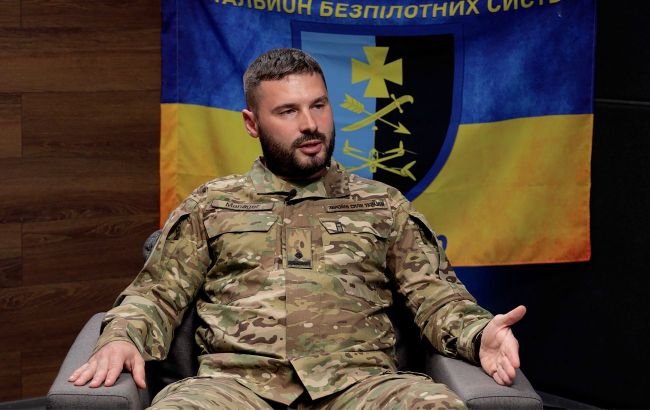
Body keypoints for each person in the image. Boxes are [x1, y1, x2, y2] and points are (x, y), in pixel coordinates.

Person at [69, 48, 526, 409]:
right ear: (252, 124)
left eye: (318, 106)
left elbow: (435, 296)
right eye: (287, 111)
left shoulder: (382, 205)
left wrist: (479, 332)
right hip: (235, 389)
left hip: (361, 386)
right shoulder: (212, 205)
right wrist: (122, 337)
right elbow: (156, 294)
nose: (310, 125)